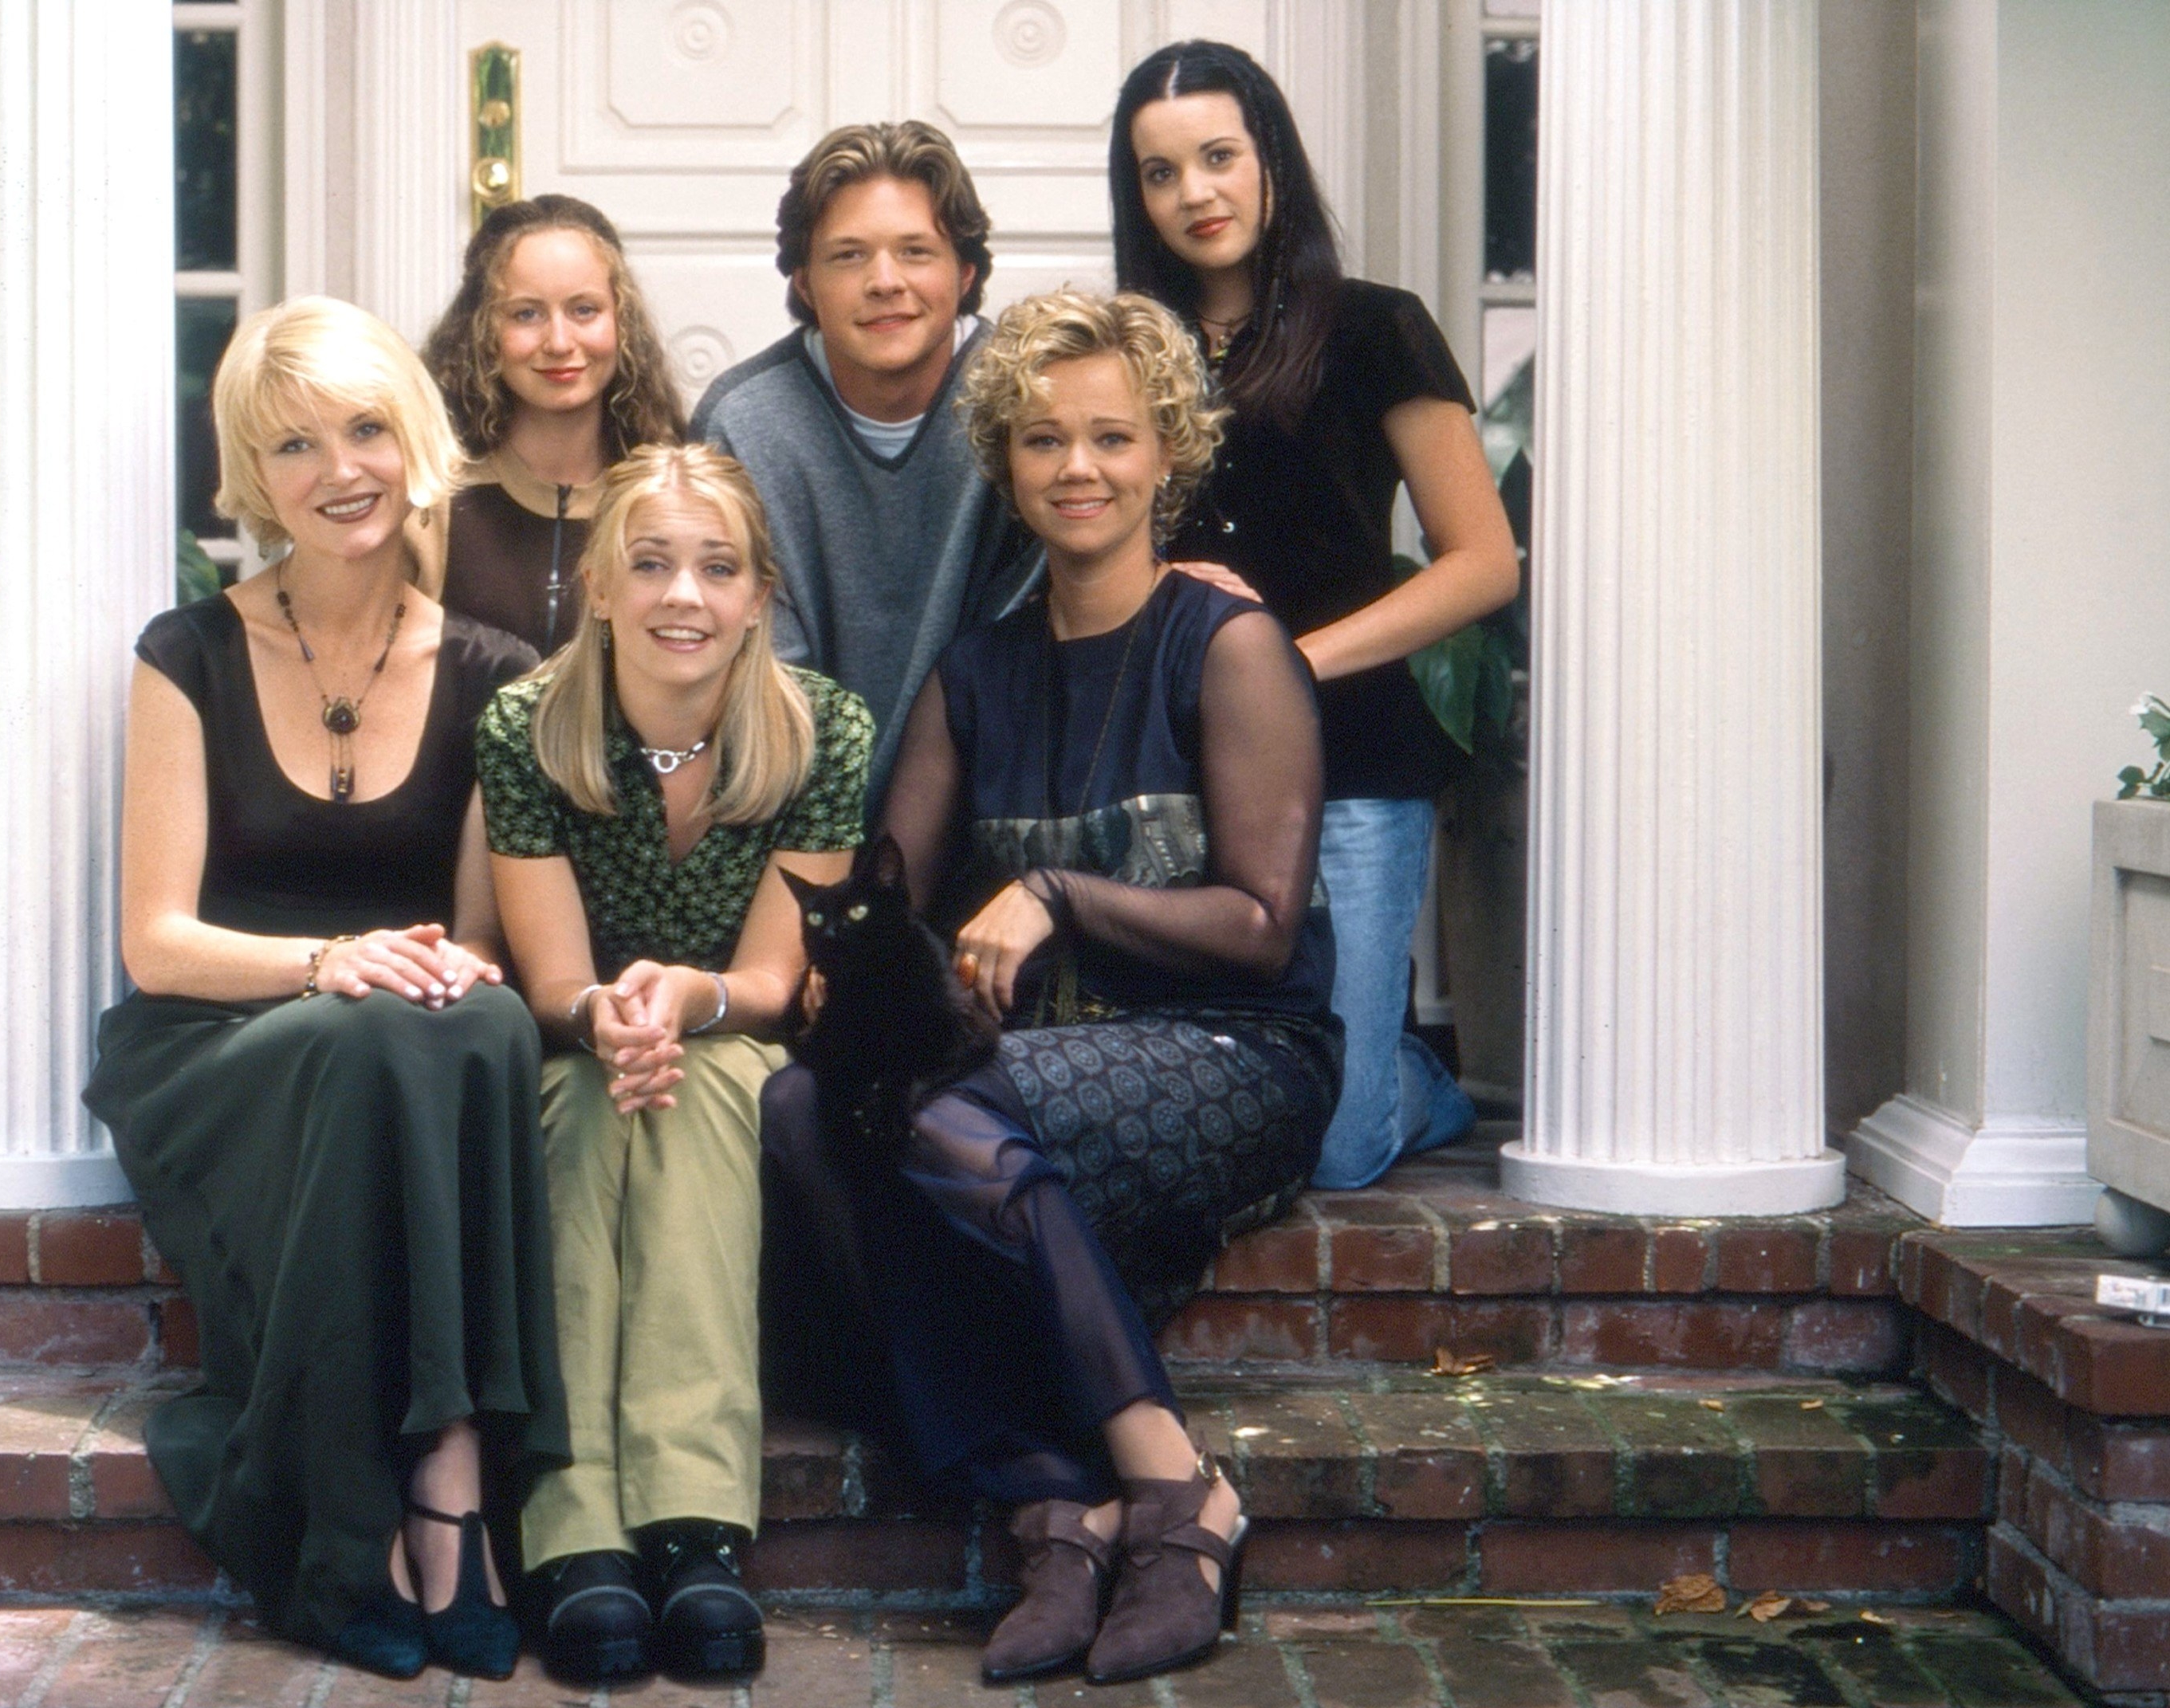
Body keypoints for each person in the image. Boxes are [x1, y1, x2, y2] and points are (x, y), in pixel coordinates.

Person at [758, 289, 1339, 1687]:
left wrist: (1061, 892)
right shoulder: (979, 673)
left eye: (1111, 437)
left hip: (1233, 1050)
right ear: (1005, 466)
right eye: (1040, 440)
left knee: (940, 1109)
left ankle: (1165, 1479)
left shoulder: (1229, 644)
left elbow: (1262, 929)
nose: (1076, 467)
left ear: (1167, 455)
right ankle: (1047, 1499)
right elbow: (888, 895)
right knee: (795, 1109)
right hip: (1021, 1077)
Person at [82, 296, 564, 1682]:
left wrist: (391, 975)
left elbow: (473, 946)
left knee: (458, 1017)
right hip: (216, 1039)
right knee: (380, 1039)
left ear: (413, 442)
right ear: (252, 477)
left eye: (365, 428)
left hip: (401, 1041)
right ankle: (367, 1525)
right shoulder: (188, 654)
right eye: (294, 445)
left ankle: (449, 1480)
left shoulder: (495, 676)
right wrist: (325, 962)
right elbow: (157, 942)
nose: (340, 468)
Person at [476, 444, 871, 1682]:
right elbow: (548, 981)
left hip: (728, 1036)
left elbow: (766, 983)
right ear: (599, 584)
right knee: (590, 1111)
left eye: (716, 566)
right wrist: (610, 1014)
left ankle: (695, 1524)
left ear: (760, 592)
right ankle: (577, 1528)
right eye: (648, 564)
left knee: (701, 1108)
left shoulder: (824, 730)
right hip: (582, 1041)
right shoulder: (528, 726)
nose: (681, 595)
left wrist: (684, 999)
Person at [1111, 41, 1520, 1190]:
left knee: (1338, 1151)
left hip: (1353, 758)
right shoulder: (1128, 353)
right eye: (1160, 172)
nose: (1194, 192)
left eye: (1219, 157)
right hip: (1185, 766)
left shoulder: (1377, 329)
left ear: (1271, 161)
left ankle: (1412, 1076)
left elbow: (1482, 562)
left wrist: (1287, 663)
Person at [690, 120, 1040, 805]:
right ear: (805, 281)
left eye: (916, 251)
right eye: (848, 256)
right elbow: (752, 677)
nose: (885, 282)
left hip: (996, 800)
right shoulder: (742, 421)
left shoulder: (1030, 403)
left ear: (965, 272)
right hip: (793, 810)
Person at [420, 195, 687, 654]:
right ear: (481, 330)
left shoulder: (672, 495)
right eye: (526, 314)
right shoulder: (431, 501)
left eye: (584, 310)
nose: (560, 342)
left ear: (622, 322)